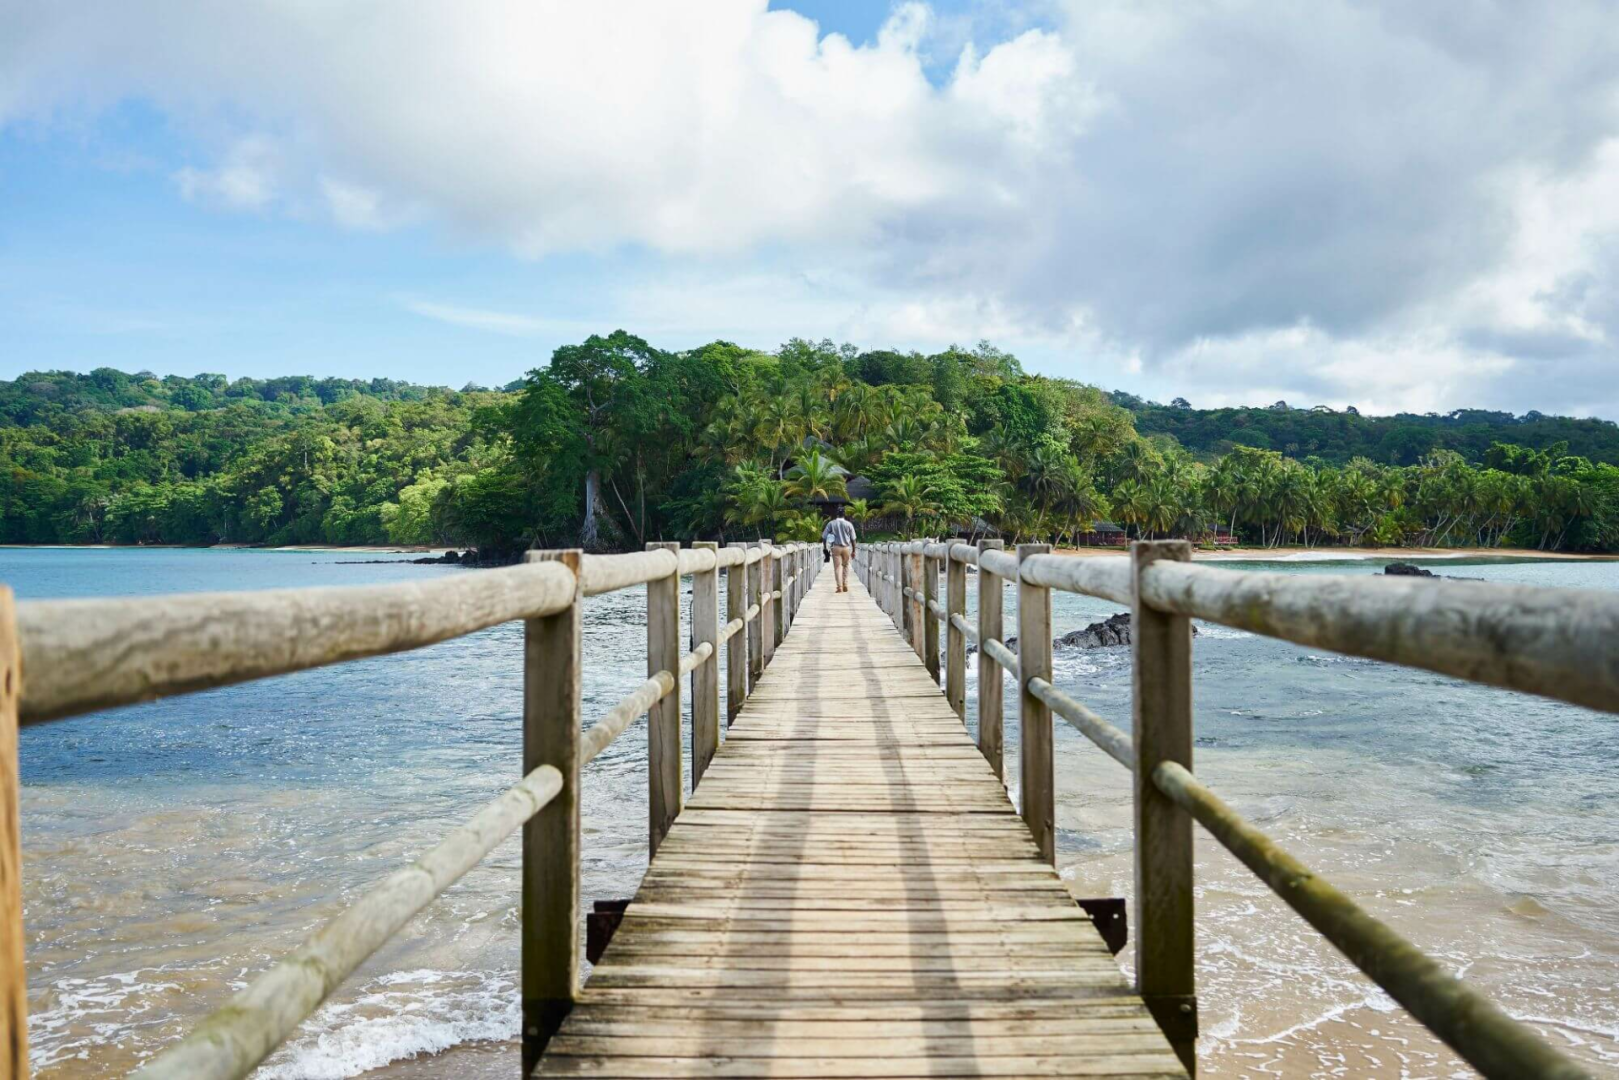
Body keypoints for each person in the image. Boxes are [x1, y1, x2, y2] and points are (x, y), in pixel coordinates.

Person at [822, 506, 857, 593]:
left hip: (836, 547)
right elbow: (853, 539)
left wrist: (825, 547)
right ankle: (845, 583)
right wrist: (854, 551)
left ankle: (839, 587)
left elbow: (824, 536)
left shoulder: (831, 523)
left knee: (837, 568)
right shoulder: (849, 524)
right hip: (846, 548)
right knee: (846, 566)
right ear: (844, 514)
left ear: (837, 514)